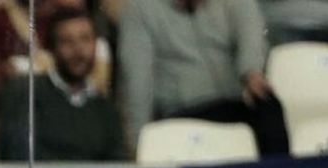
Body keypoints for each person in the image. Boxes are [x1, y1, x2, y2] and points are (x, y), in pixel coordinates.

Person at [119, 0, 290, 156]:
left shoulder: (232, 4)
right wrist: (138, 145)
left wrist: (251, 71)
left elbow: (250, 32)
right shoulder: (139, 10)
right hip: (181, 112)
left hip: (232, 103)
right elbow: (137, 84)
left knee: (268, 105)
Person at [0, 8, 128, 161]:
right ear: (51, 49)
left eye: (85, 39)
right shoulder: (26, 93)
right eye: (67, 41)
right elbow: (19, 158)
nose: (78, 51)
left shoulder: (106, 110)